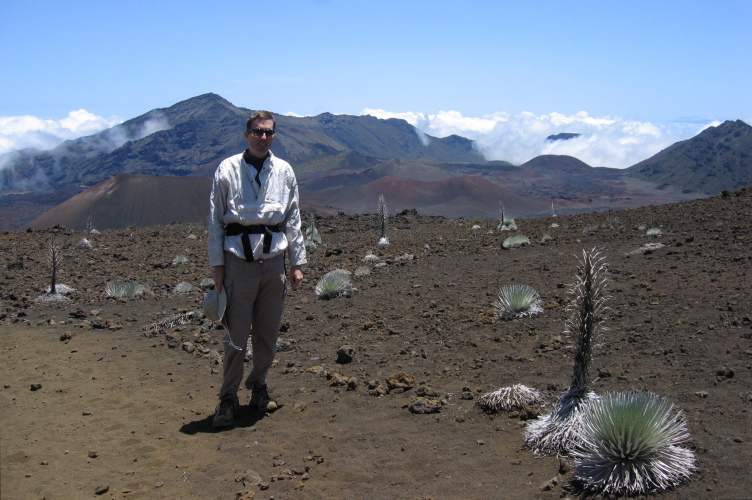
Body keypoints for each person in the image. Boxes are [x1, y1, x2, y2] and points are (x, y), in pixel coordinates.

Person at [207, 110, 306, 429]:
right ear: (246, 133)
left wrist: (297, 262)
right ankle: (227, 399)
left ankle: (259, 389)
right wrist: (217, 266)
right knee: (235, 334)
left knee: (267, 332)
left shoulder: (284, 171)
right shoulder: (228, 169)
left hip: (273, 262)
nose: (263, 137)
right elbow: (215, 220)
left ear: (274, 135)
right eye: (258, 132)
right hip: (238, 262)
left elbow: (292, 217)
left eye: (269, 132)